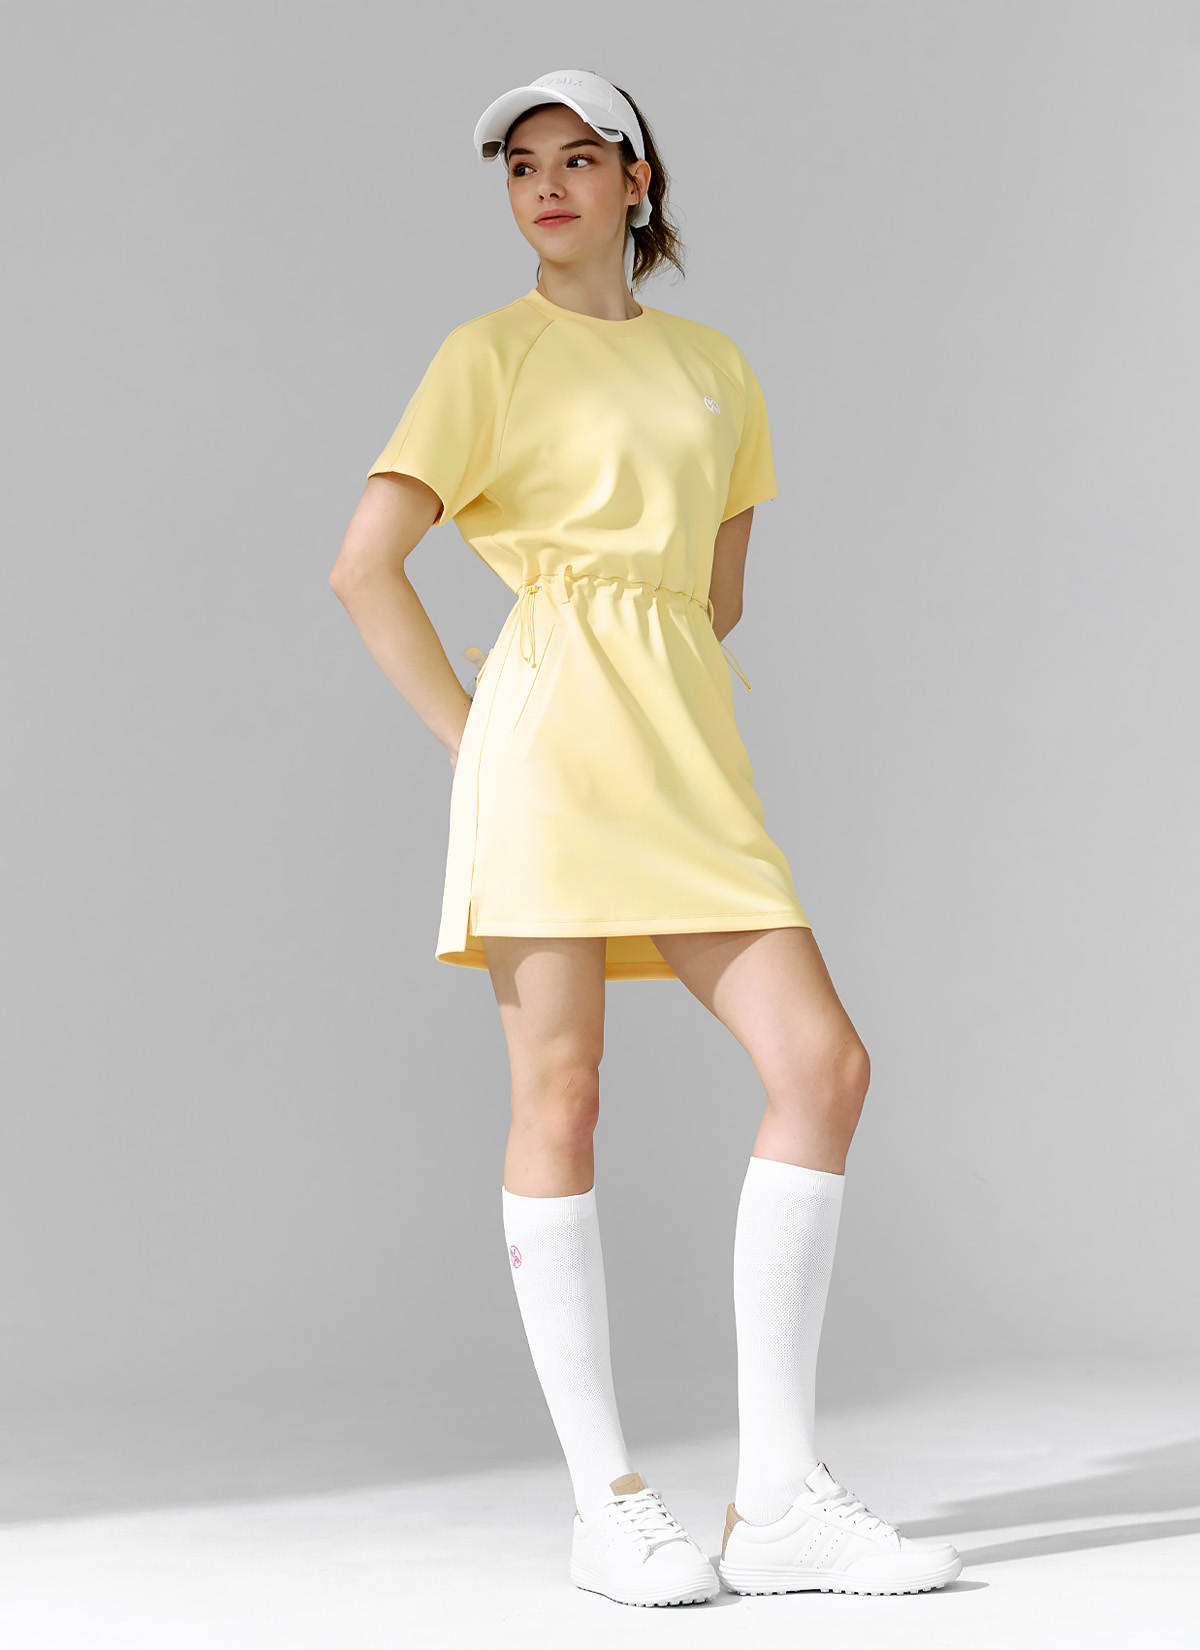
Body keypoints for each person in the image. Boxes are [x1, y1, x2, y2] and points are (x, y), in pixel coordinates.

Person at [330, 67, 962, 1609]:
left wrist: (639, 673)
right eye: (519, 166)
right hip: (549, 746)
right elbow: (365, 566)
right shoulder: (484, 355)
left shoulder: (717, 368)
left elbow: (714, 593)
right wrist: (487, 739)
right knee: (563, 1091)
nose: (545, 185)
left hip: (682, 749)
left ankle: (778, 1499)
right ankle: (607, 1503)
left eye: (577, 158)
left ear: (638, 180)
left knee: (823, 1066)